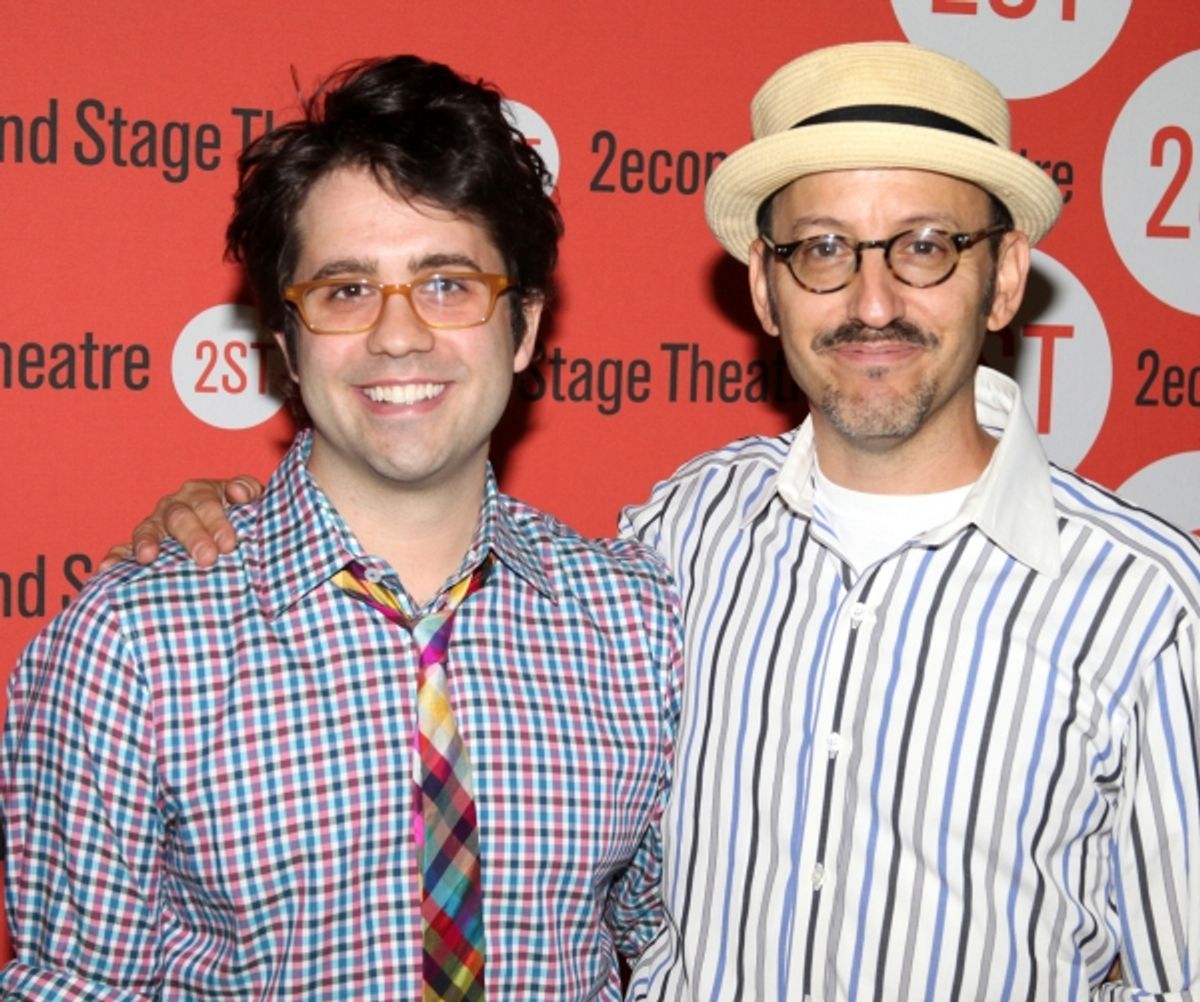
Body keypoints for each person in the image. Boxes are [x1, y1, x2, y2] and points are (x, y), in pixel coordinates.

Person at [98, 43, 1200, 1000]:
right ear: (765, 291)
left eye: (923, 246)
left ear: (1003, 277)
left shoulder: (1148, 602)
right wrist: (224, 517)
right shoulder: (678, 541)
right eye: (820, 249)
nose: (871, 300)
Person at [1, 55, 682, 1000]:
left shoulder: (635, 621)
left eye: (448, 284)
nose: (398, 337)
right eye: (346, 290)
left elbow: (667, 951)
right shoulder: (132, 646)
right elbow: (71, 986)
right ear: (284, 341)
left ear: (522, 329)